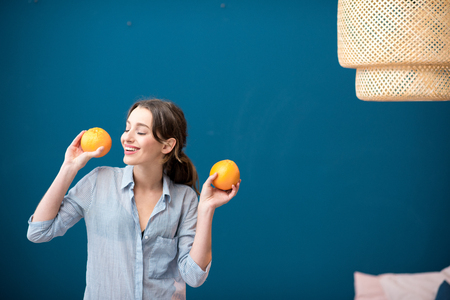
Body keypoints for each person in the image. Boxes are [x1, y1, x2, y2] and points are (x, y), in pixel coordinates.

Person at [27, 98, 240, 300]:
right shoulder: (98, 182)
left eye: (140, 131)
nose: (126, 137)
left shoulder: (185, 199)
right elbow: (39, 232)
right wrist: (69, 168)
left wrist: (206, 209)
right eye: (127, 128)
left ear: (166, 146)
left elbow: (194, 277)